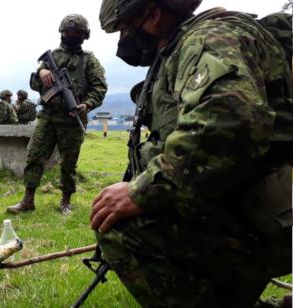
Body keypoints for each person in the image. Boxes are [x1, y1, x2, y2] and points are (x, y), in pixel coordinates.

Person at [92, 0, 292, 306]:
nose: (123, 42)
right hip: (260, 206)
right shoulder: (181, 48)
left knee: (125, 230)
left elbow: (228, 121)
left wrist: (140, 193)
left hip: (275, 217)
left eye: (122, 29)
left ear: (154, 15)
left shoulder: (206, 41)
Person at [7, 14, 107, 215]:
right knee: (34, 156)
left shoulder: (89, 61)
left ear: (84, 35)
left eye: (77, 33)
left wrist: (87, 104)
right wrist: (41, 73)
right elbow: (35, 85)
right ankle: (28, 200)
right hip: (48, 117)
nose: (72, 35)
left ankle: (66, 201)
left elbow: (99, 87)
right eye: (68, 32)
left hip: (72, 119)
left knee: (69, 164)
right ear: (62, 33)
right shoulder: (51, 58)